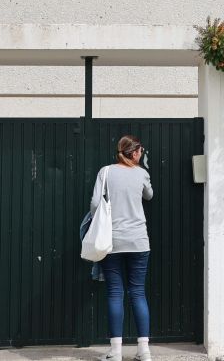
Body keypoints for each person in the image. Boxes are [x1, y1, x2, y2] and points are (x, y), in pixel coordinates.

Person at [91, 135, 154, 361]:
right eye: (141, 152)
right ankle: (144, 351)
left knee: (115, 294)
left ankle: (115, 352)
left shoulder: (105, 172)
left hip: (112, 242)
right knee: (137, 292)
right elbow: (150, 195)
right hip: (139, 241)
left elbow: (95, 204)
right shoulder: (142, 173)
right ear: (135, 152)